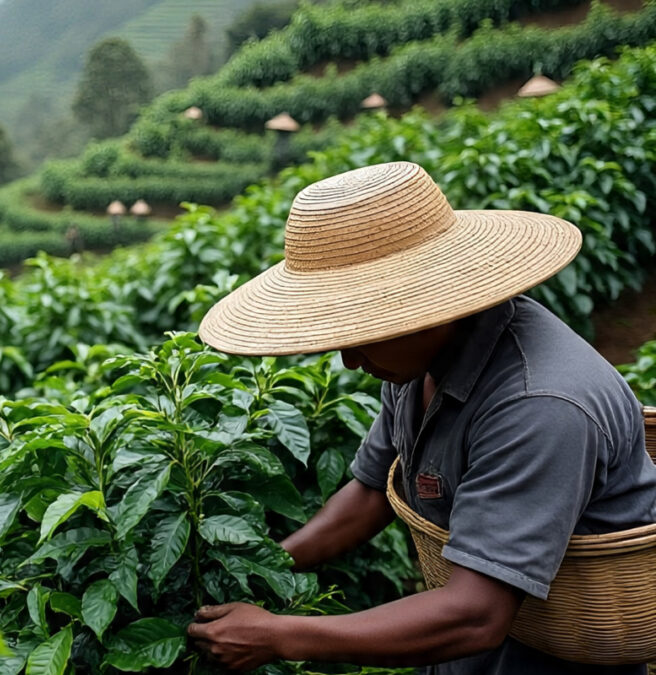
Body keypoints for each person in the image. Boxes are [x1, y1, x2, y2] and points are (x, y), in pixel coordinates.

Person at [188, 161, 656, 673]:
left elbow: (474, 616)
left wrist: (281, 636)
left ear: (426, 307)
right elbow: (370, 492)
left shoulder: (538, 405)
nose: (348, 358)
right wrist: (268, 565)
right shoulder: (414, 362)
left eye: (359, 332)